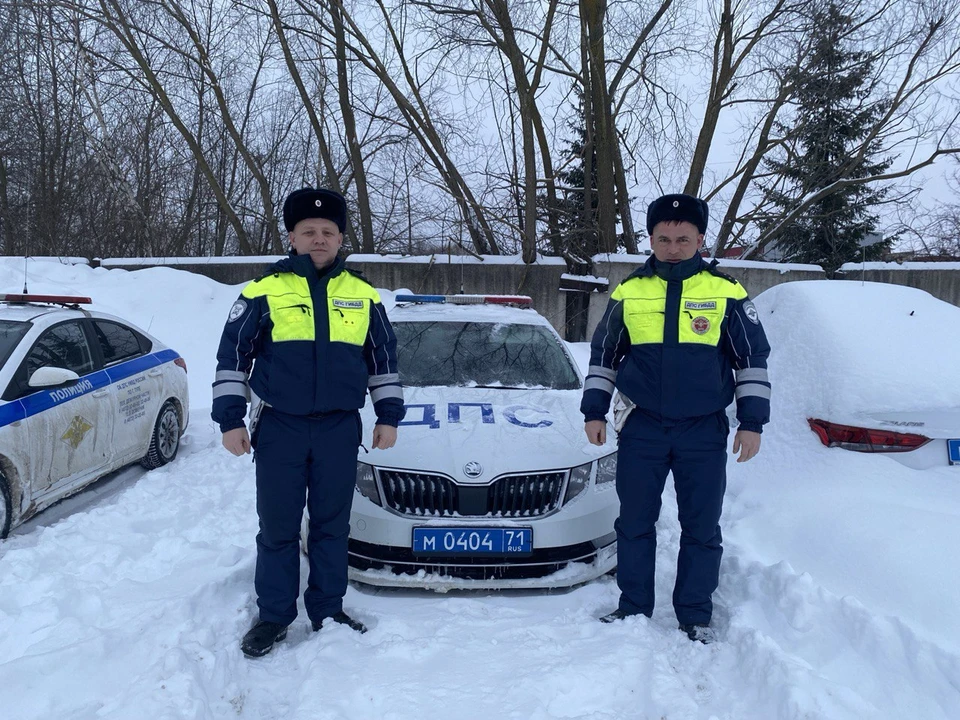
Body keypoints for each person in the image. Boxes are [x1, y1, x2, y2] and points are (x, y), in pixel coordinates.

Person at [212, 187, 405, 658]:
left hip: (340, 428)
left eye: (328, 232)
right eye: (308, 232)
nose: (319, 239)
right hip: (282, 427)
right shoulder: (263, 291)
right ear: (292, 238)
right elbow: (231, 358)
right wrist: (229, 420)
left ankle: (327, 609)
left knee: (331, 524)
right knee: (277, 526)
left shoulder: (363, 295)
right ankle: (275, 614)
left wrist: (388, 416)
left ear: (341, 239)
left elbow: (383, 361)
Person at [581, 193, 770, 644]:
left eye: (683, 239)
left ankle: (694, 614)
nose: (672, 247)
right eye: (663, 238)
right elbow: (604, 354)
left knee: (701, 526)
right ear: (651, 238)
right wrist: (594, 410)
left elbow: (752, 360)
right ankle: (633, 607)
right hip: (643, 427)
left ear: (700, 239)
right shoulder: (629, 291)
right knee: (635, 521)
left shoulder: (727, 292)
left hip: (702, 429)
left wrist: (752, 422)